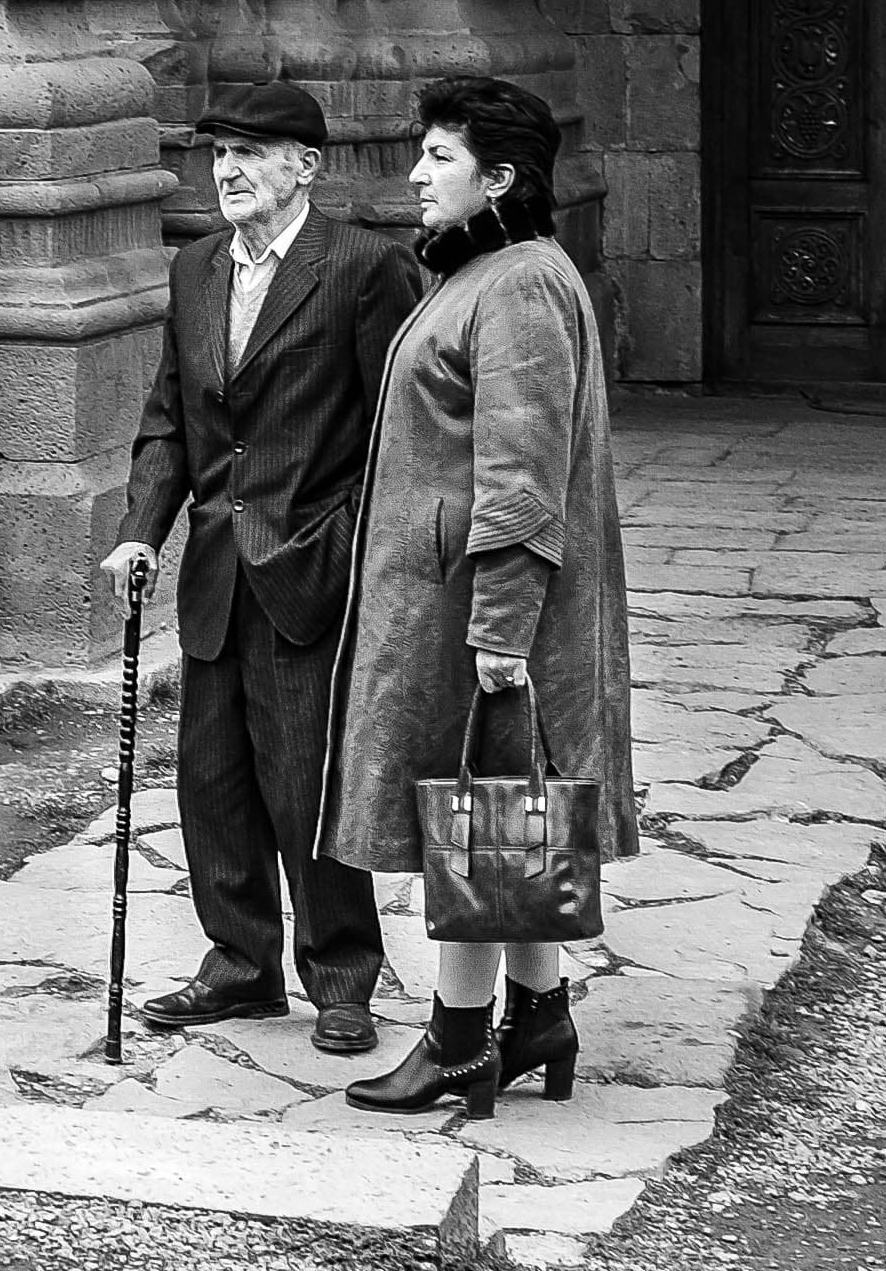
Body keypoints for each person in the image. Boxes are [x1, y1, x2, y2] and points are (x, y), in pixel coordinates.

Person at [323, 73, 633, 1117]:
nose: (413, 171)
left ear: (499, 177)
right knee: (508, 811)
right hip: (449, 597)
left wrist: (499, 628)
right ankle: (538, 1011)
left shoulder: (518, 285)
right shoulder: (492, 270)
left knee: (480, 813)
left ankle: (456, 1042)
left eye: (438, 157)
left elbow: (519, 470)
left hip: (481, 606)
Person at [97, 81, 425, 1054]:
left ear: (305, 166)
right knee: (213, 777)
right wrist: (138, 529)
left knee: (303, 781)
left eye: (248, 152)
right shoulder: (195, 267)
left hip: (309, 567)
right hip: (214, 570)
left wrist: (353, 540)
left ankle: (340, 975)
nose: (227, 170)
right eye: (217, 154)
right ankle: (239, 964)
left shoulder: (364, 268)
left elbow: (400, 432)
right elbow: (168, 419)